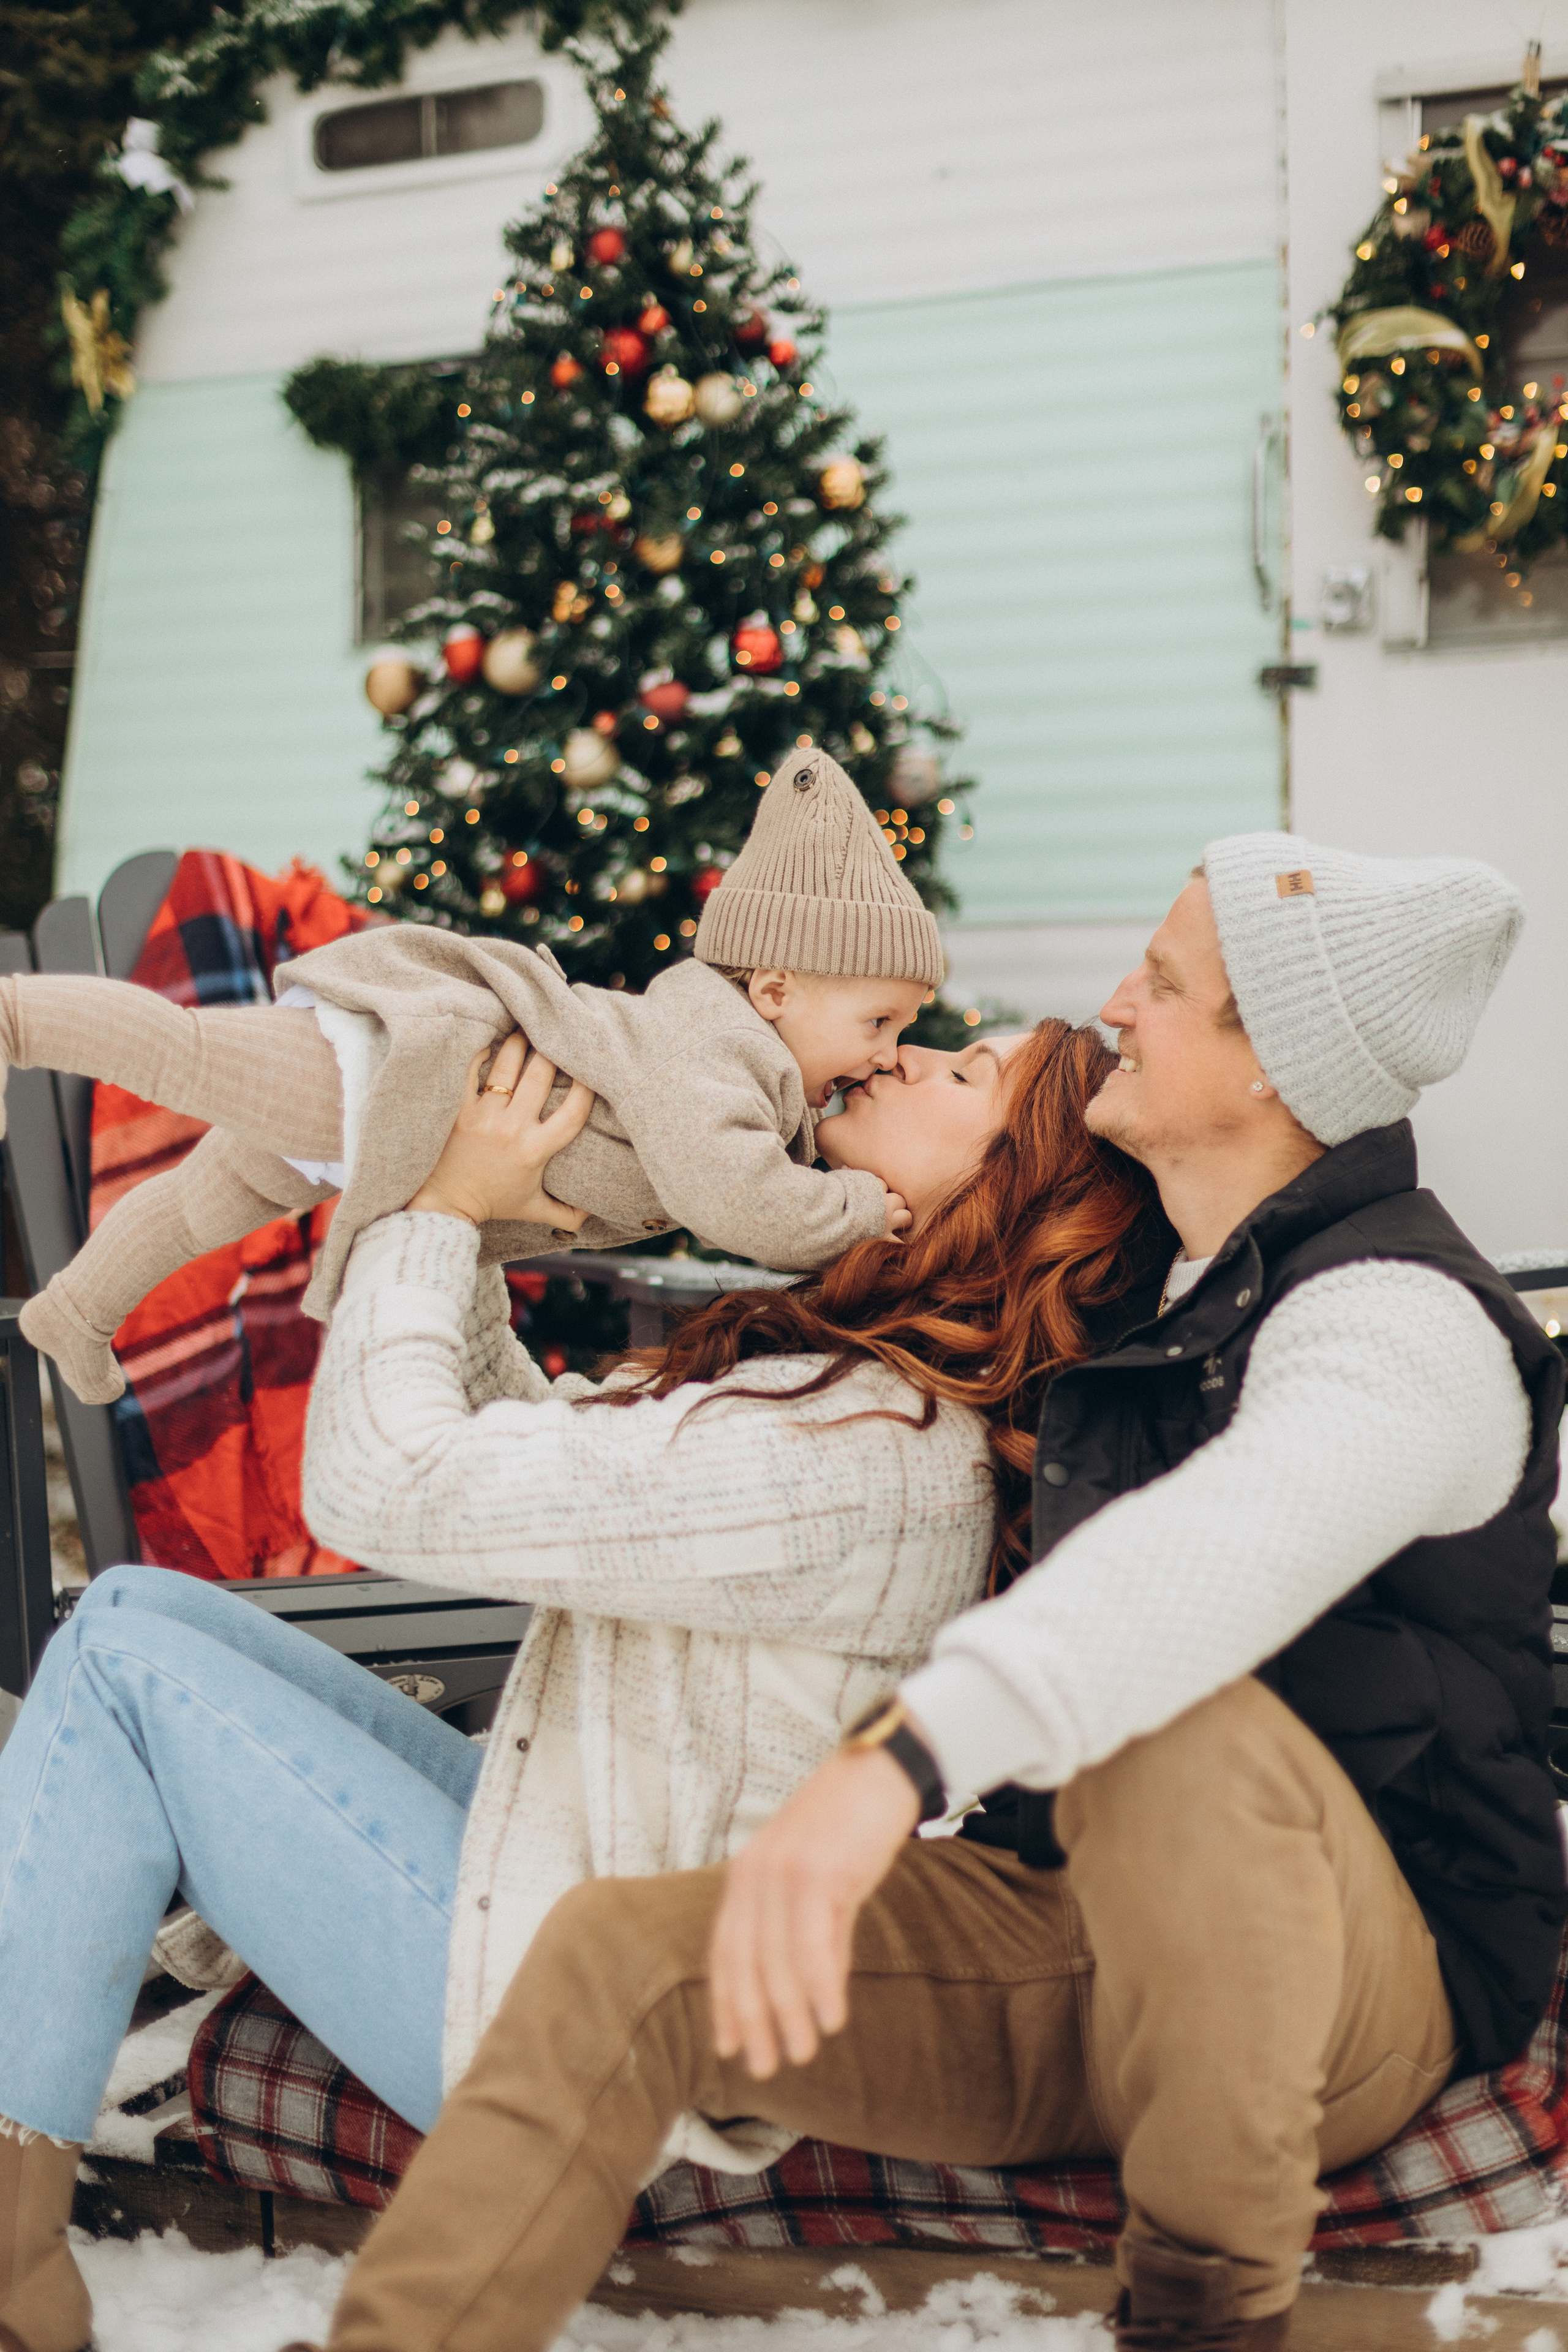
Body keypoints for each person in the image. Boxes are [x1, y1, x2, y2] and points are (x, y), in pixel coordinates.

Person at [309, 835, 1566, 2352]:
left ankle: (1198, 2323)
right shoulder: (1153, 1289)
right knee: (622, 1954)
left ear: (1271, 1065)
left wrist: (887, 1768)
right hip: (1070, 1934)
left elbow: (1216, 1555)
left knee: (1180, 1731)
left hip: (1358, 1981)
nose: (1114, 1000)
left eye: (1162, 984)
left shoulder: (1399, 1321)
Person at [0, 1003, 1166, 2352]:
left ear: (1008, 1193)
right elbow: (546, 1459)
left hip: (564, 2033)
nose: (910, 1052)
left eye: (967, 1072)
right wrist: (483, 1229)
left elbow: (385, 1484)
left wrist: (431, 1215)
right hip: (556, 1863)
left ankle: (13, 2267)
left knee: (127, 1668)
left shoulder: (872, 1459)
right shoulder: (863, 1404)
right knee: (138, 1613)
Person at [1, 748, 940, 1408]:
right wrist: (858, 1214)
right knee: (187, 1053)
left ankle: (75, 1313)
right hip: (406, 1075)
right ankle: (13, 1018)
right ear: (773, 989)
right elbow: (734, 1199)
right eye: (879, 1021)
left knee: (203, 1206)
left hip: (416, 1135)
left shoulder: (758, 1074)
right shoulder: (719, 1048)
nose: (891, 1050)